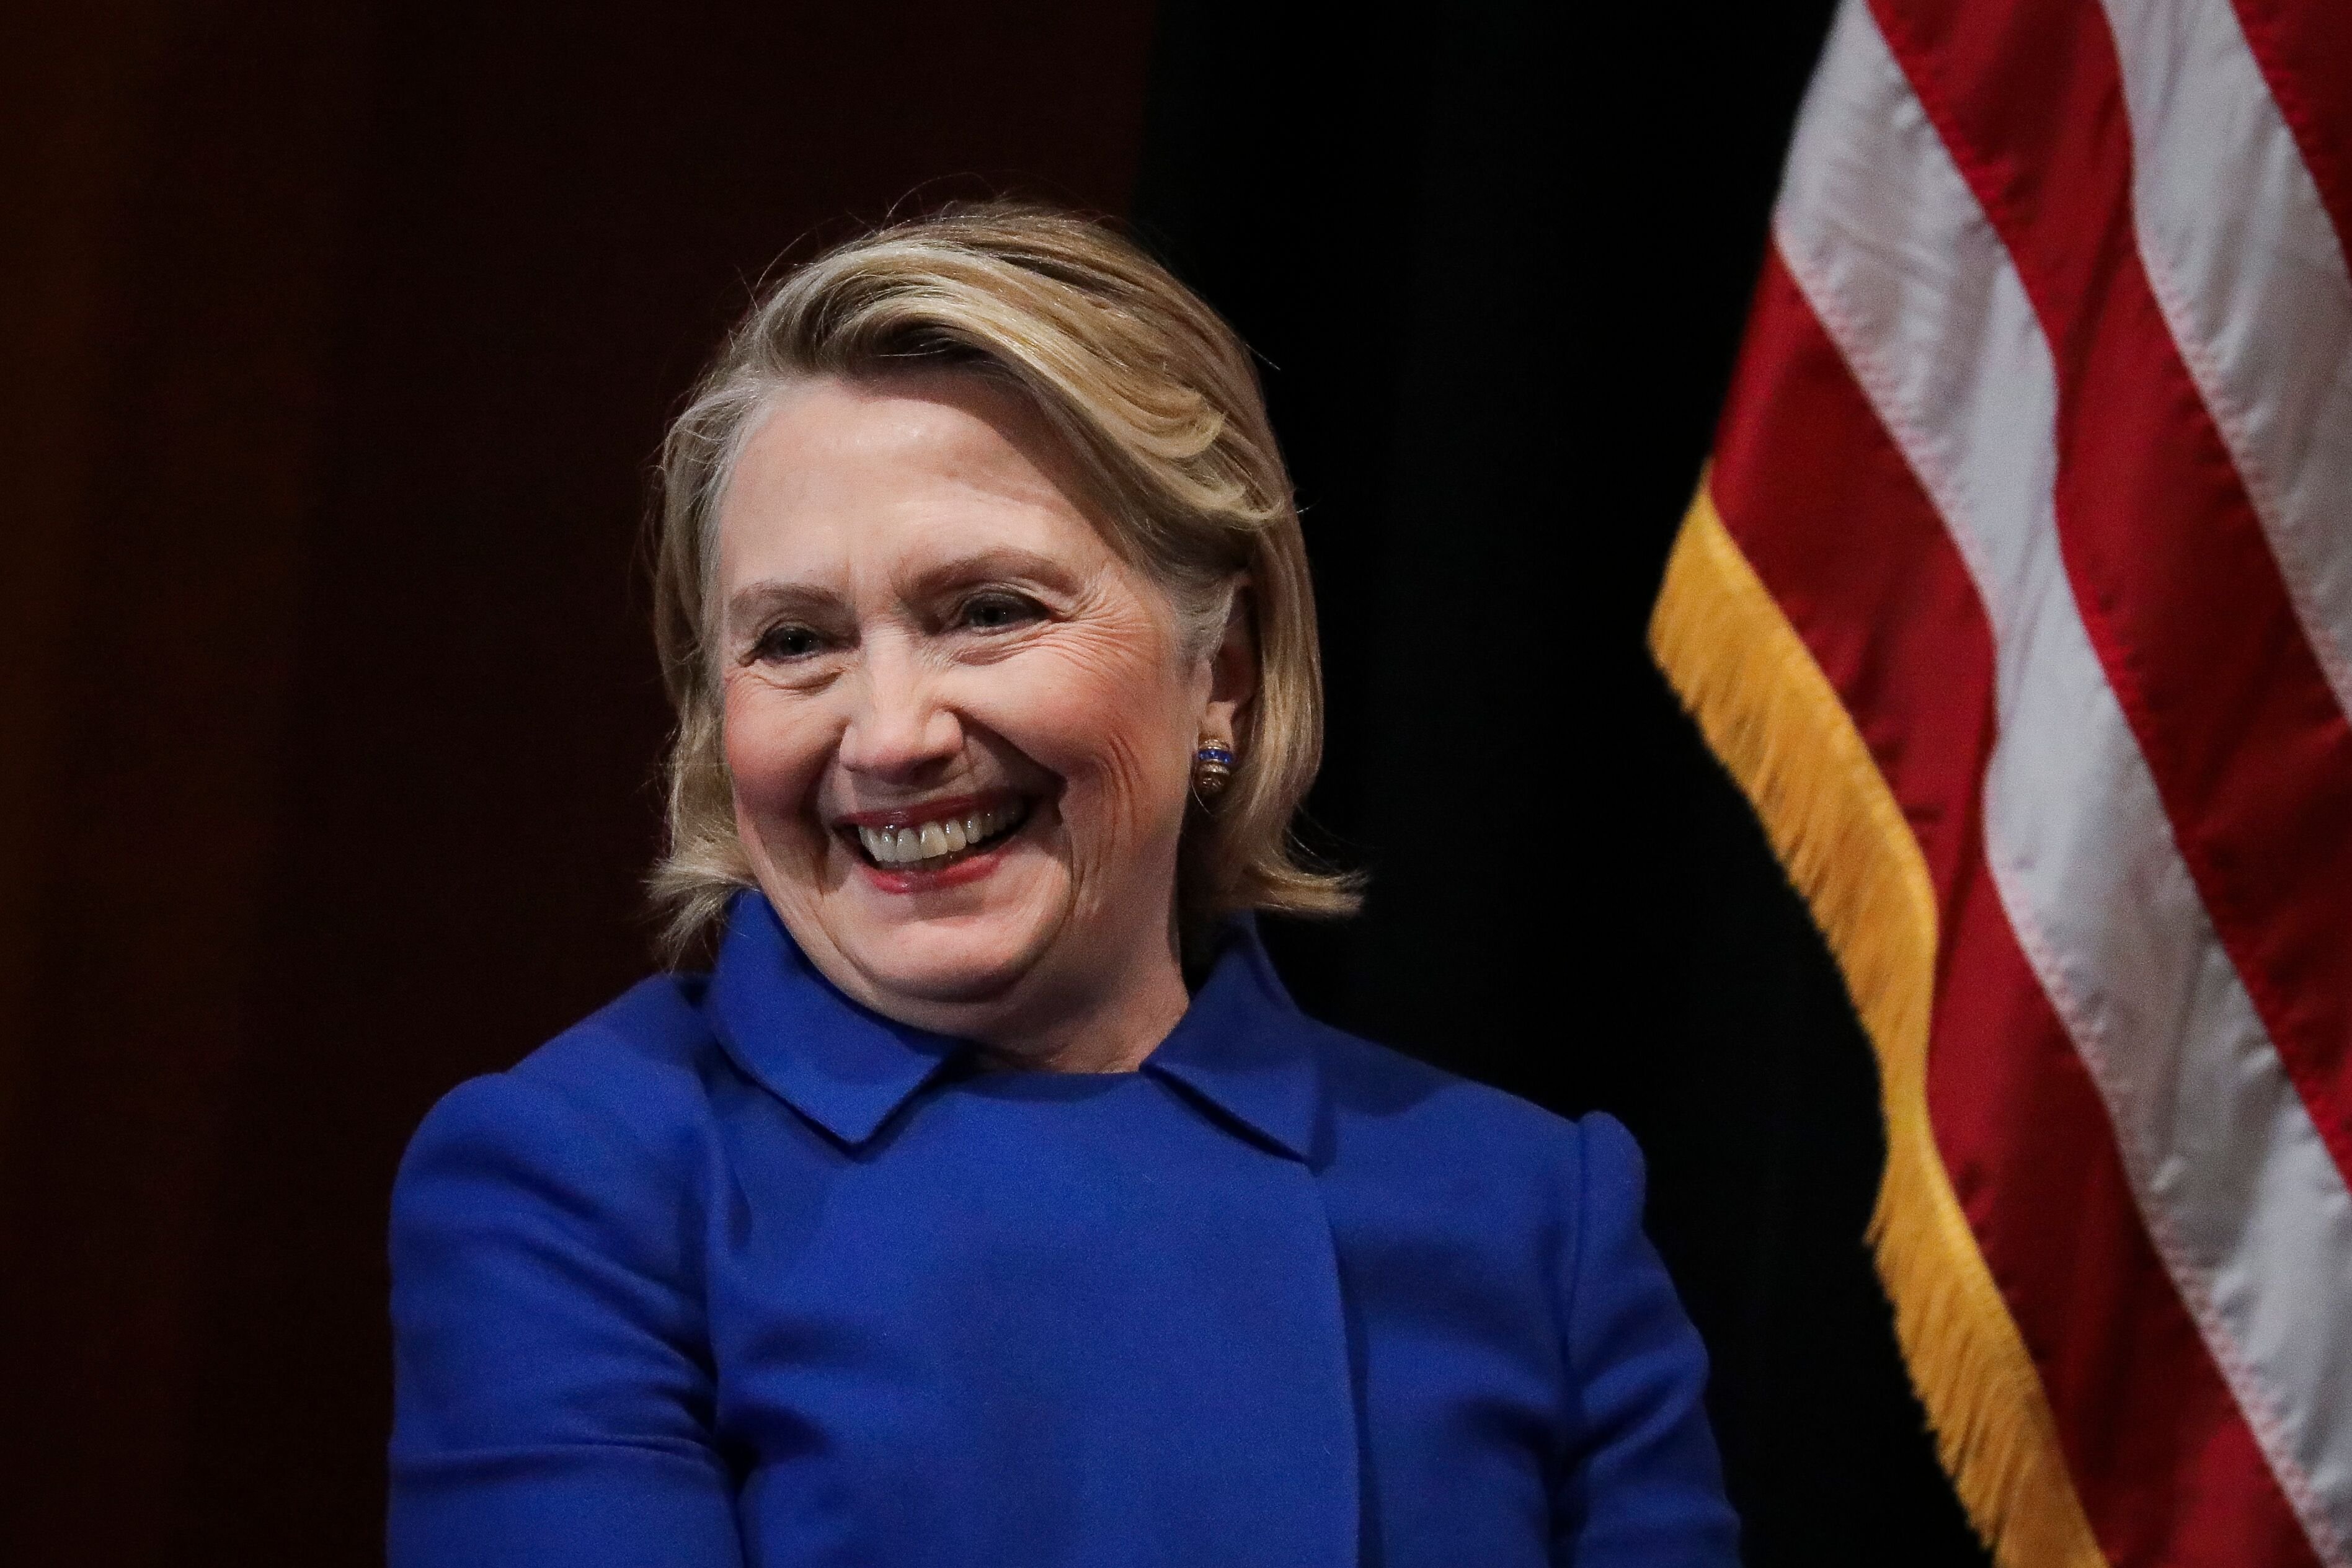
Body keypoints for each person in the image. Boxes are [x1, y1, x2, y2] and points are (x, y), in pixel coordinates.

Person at [386, 204, 1739, 1567]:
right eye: (796, 640)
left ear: (1222, 665)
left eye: (989, 611)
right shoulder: (578, 1179)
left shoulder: (1531, 1212)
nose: (892, 730)